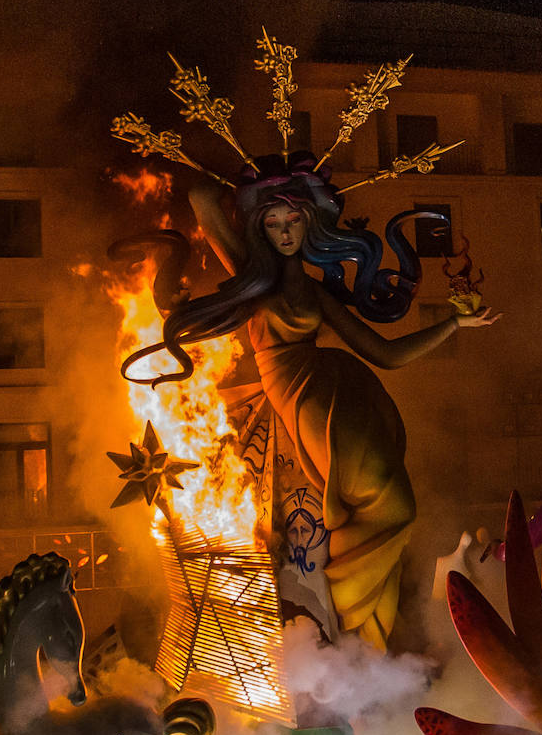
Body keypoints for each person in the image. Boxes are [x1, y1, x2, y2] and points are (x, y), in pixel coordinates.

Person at [124, 158, 498, 649]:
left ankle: (364, 637)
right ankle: (354, 627)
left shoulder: (317, 292)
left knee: (394, 506)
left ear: (310, 224)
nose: (284, 233)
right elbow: (201, 199)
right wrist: (240, 179)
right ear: (258, 227)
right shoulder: (251, 274)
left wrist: (453, 325)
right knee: (388, 506)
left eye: (294, 220)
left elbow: (385, 354)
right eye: (273, 222)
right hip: (301, 397)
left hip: (337, 389)